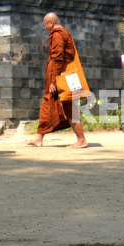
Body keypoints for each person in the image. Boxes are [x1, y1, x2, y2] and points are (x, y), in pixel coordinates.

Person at [25, 12, 88, 149]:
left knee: (67, 106)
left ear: (51, 23)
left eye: (45, 24)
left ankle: (81, 139)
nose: (44, 27)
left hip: (60, 77)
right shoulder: (63, 33)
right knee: (51, 104)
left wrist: (53, 81)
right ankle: (39, 137)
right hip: (63, 75)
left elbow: (58, 58)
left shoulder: (58, 34)